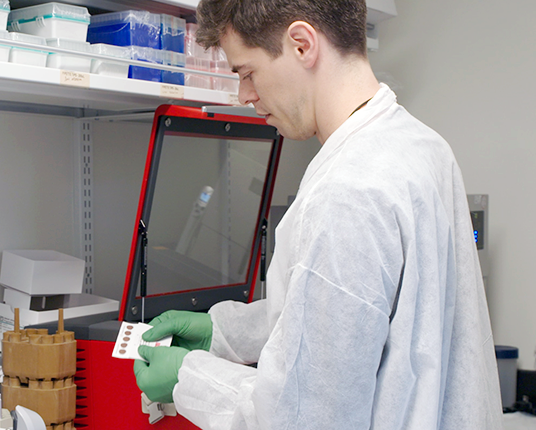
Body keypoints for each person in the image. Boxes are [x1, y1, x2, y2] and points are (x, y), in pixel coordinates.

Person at [133, 0, 503, 428]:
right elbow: (346, 318)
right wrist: (224, 332)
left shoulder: (346, 192)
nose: (245, 95)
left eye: (247, 73)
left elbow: (303, 417)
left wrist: (187, 378)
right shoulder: (421, 146)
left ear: (302, 44)